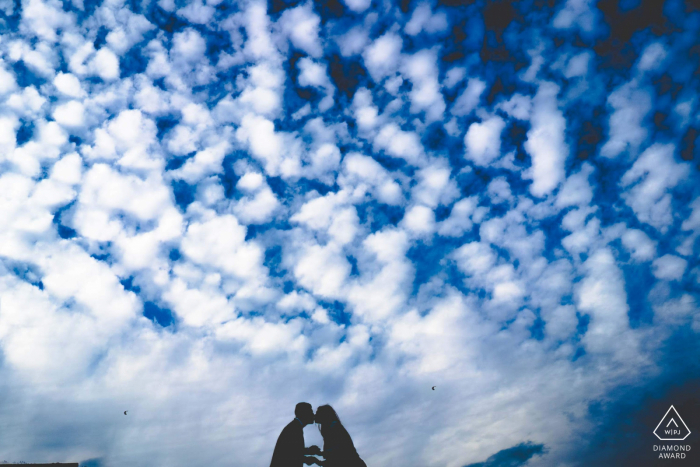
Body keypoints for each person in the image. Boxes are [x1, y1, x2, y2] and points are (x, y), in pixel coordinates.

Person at [270, 402, 323, 467]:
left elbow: (293, 451)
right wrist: (310, 458)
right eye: (311, 412)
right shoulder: (294, 429)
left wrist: (309, 451)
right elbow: (289, 455)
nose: (313, 414)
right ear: (304, 414)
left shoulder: (294, 427)